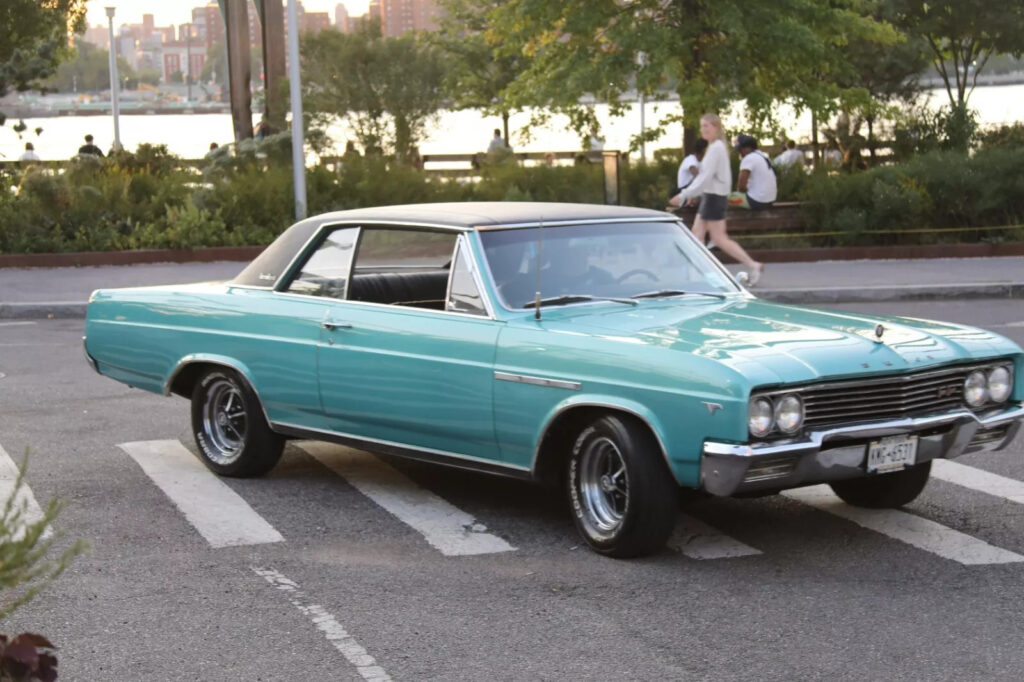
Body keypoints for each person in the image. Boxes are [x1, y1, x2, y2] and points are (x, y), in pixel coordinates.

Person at [668, 114, 764, 285]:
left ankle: (746, 267)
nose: (704, 129)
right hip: (712, 197)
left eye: (707, 126)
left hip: (714, 197)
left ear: (716, 128)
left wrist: (684, 195)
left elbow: (704, 177)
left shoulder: (716, 149)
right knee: (697, 237)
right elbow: (709, 178)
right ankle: (699, 276)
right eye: (702, 126)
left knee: (716, 238)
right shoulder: (717, 147)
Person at [729, 134, 777, 210]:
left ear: (747, 147)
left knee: (725, 199)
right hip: (769, 201)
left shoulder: (748, 158)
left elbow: (741, 186)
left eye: (740, 149)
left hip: (756, 202)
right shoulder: (762, 155)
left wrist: (738, 194)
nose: (740, 152)